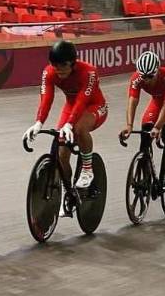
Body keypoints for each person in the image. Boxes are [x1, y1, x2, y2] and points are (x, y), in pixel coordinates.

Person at [23, 40, 109, 189]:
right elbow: (46, 98)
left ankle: (87, 169)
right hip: (71, 107)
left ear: (73, 63)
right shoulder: (49, 72)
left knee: (79, 128)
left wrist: (69, 123)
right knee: (61, 152)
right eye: (56, 66)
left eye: (63, 66)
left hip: (94, 106)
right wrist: (38, 123)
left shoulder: (89, 72)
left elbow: (82, 101)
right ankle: (67, 193)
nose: (59, 70)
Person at [119, 51, 165, 189]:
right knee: (145, 133)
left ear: (157, 71)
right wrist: (129, 125)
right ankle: (145, 172)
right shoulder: (136, 78)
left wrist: (158, 127)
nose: (146, 80)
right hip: (157, 101)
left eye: (150, 76)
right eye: (143, 76)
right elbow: (132, 101)